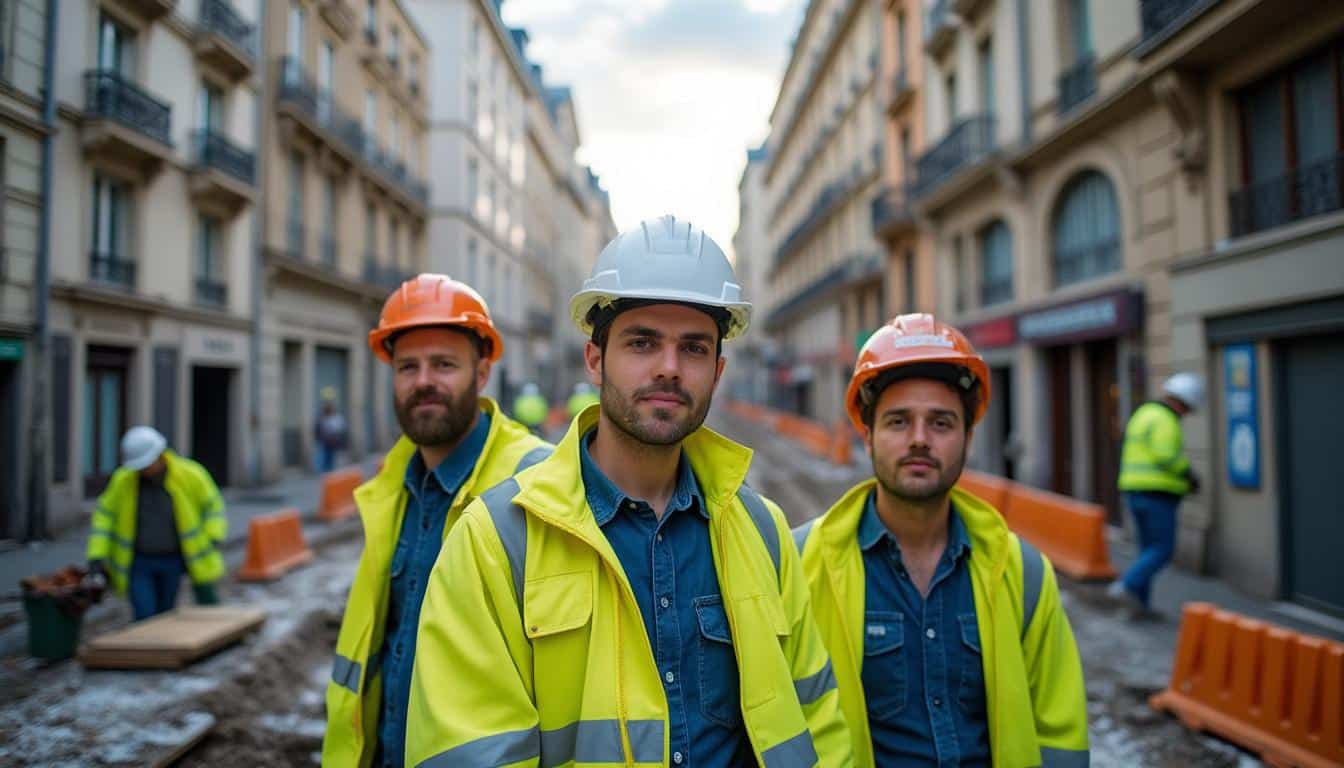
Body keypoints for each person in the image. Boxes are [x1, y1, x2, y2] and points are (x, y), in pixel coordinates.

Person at [406, 216, 851, 767]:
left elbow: (817, 726)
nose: (668, 368)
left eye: (692, 348)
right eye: (642, 342)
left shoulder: (764, 533)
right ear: (595, 359)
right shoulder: (496, 542)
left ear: (717, 369)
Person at [793, 314, 1089, 767]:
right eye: (898, 422)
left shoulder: (1022, 571)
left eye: (941, 423)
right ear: (867, 435)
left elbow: (1060, 734)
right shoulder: (802, 564)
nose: (919, 440)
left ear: (968, 437)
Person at [321, 274, 553, 768]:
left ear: (483, 370)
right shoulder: (391, 488)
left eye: (444, 364)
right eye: (408, 366)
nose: (423, 381)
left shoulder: (537, 480)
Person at [86, 426, 227, 622]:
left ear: (159, 455)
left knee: (166, 613)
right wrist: (96, 555)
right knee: (144, 613)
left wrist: (213, 536)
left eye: (147, 465)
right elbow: (104, 518)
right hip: (138, 561)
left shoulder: (190, 475)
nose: (144, 471)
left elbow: (213, 506)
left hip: (172, 559)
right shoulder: (123, 480)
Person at [1109, 372, 1204, 614]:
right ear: (1180, 402)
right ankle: (1126, 584)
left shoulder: (1143, 413)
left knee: (1146, 549)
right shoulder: (1165, 419)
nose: (1186, 414)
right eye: (1187, 408)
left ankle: (1140, 605)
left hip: (1133, 490)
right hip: (1158, 494)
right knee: (1162, 548)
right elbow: (1166, 456)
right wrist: (1188, 474)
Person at [314, 388, 349, 473]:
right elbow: (317, 429)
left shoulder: (336, 418)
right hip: (325, 441)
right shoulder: (322, 418)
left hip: (333, 442)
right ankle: (325, 471)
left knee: (331, 458)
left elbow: (342, 429)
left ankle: (329, 472)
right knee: (324, 458)